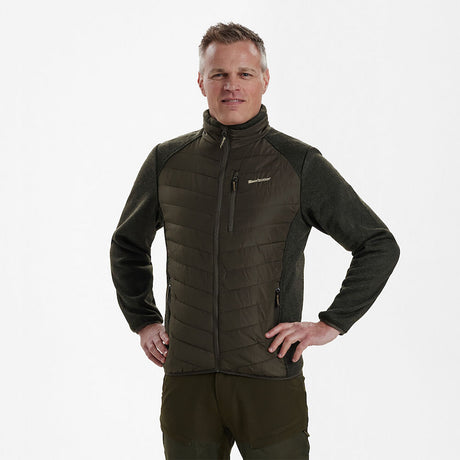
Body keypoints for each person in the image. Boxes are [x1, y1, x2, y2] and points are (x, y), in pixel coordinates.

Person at [110, 22, 400, 460]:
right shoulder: (167, 161)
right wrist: (144, 320)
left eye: (244, 73)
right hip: (188, 382)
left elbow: (377, 244)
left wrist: (331, 323)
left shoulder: (299, 163)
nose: (232, 86)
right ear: (201, 82)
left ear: (265, 79)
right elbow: (127, 245)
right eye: (219, 74)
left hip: (268, 380)